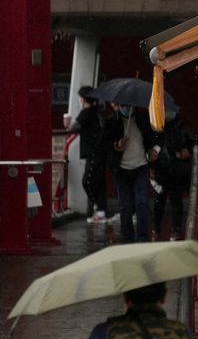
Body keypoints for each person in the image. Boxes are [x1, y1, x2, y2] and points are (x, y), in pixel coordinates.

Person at [104, 103, 161, 243]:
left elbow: (158, 136)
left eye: (129, 105)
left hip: (141, 167)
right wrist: (116, 146)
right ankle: (127, 237)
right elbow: (103, 144)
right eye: (124, 104)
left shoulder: (144, 119)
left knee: (141, 202)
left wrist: (155, 149)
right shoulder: (111, 122)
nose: (127, 107)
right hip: (121, 170)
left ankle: (142, 236)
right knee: (126, 205)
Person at [64, 86, 107, 221]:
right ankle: (101, 210)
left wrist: (67, 124)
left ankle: (98, 207)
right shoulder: (97, 112)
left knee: (87, 181)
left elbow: (73, 128)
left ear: (83, 98)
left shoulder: (86, 113)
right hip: (100, 151)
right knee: (99, 181)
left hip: (93, 151)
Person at [152, 110, 195, 241]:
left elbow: (191, 145)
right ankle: (156, 228)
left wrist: (186, 151)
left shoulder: (182, 128)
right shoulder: (158, 129)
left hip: (177, 170)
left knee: (176, 200)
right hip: (162, 169)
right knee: (159, 200)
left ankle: (175, 229)